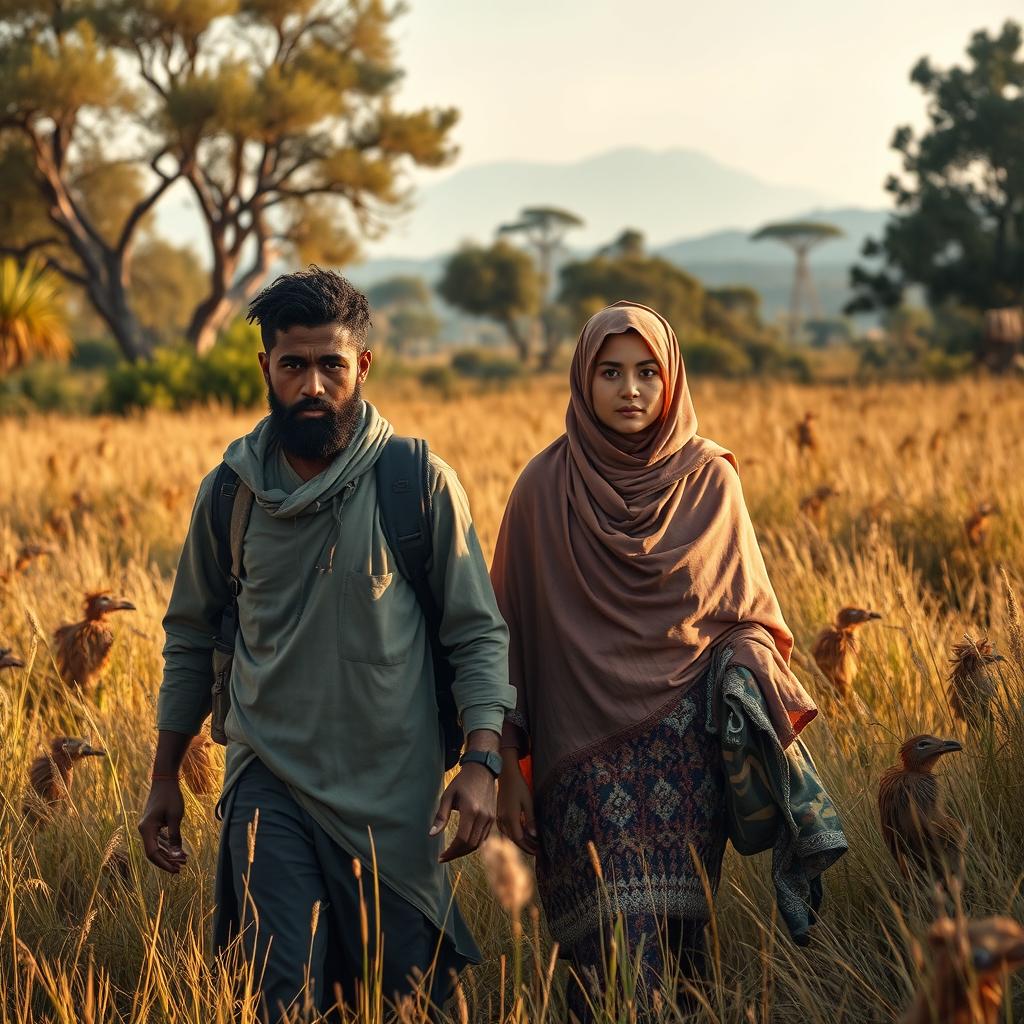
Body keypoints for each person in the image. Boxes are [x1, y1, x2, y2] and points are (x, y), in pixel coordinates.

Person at [138, 267, 515, 1022]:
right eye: (294, 365)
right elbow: (189, 639)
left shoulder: (416, 484)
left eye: (331, 365)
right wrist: (163, 777)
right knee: (281, 995)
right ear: (266, 368)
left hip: (394, 797)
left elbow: (477, 632)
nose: (313, 385)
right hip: (267, 779)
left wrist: (481, 762)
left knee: (405, 1001)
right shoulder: (231, 493)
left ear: (362, 365)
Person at [492, 300, 818, 1019]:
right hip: (579, 764)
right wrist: (505, 762)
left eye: (647, 372)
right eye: (610, 372)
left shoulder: (710, 480)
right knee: (607, 961)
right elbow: (503, 635)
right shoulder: (542, 487)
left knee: (680, 951)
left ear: (671, 379)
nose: (631, 390)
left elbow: (750, 614)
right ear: (583, 379)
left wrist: (745, 661)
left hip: (685, 757)